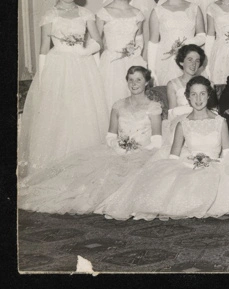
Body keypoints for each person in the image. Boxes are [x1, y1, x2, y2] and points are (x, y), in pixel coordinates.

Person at [96, 76, 229, 220]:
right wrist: (191, 163)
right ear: (188, 97)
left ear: (208, 96)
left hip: (214, 168)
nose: (198, 99)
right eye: (193, 95)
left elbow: (227, 154)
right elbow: (173, 158)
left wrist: (212, 162)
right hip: (190, 167)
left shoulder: (220, 122)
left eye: (202, 94)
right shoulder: (183, 124)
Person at [19, 66, 163, 214]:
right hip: (117, 151)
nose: (134, 83)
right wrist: (118, 147)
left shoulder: (153, 107)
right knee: (86, 179)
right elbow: (111, 136)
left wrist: (137, 150)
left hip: (143, 154)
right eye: (131, 80)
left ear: (146, 82)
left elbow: (157, 140)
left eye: (139, 80)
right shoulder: (118, 105)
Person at [18, 0, 106, 178]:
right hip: (57, 65)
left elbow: (97, 41)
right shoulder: (50, 14)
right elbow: (43, 47)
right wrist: (41, 75)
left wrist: (84, 52)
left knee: (81, 112)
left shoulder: (85, 13)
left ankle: (82, 165)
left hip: (82, 66)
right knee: (58, 112)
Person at [146, 0, 206, 86]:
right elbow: (153, 42)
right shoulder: (157, 11)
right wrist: (151, 69)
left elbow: (202, 36)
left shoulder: (194, 8)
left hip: (189, 58)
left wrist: (186, 44)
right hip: (165, 58)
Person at [97, 0, 147, 108]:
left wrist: (134, 52)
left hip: (132, 61)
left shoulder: (137, 14)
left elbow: (139, 40)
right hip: (111, 63)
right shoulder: (103, 13)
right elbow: (95, 42)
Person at [166, 44, 206, 128]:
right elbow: (172, 114)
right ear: (181, 62)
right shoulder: (172, 85)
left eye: (197, 61)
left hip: (203, 123)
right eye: (190, 60)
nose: (193, 64)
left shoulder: (206, 83)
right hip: (182, 125)